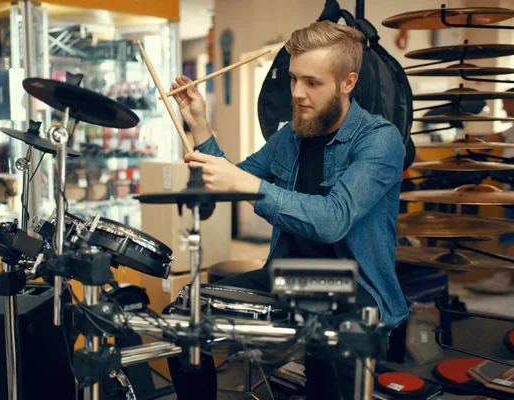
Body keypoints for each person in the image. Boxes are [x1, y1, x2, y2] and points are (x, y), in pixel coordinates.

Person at [166, 20, 408, 400]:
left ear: (348, 82)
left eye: (312, 83)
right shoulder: (291, 135)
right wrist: (198, 122)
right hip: (289, 275)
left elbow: (332, 220)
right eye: (294, 79)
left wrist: (249, 185)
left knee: (330, 349)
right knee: (183, 316)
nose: (297, 92)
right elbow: (234, 180)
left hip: (351, 283)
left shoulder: (381, 140)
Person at [467, 88, 514, 295]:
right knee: (508, 228)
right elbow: (488, 141)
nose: (502, 106)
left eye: (505, 102)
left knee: (510, 230)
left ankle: (504, 277)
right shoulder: (511, 128)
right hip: (509, 184)